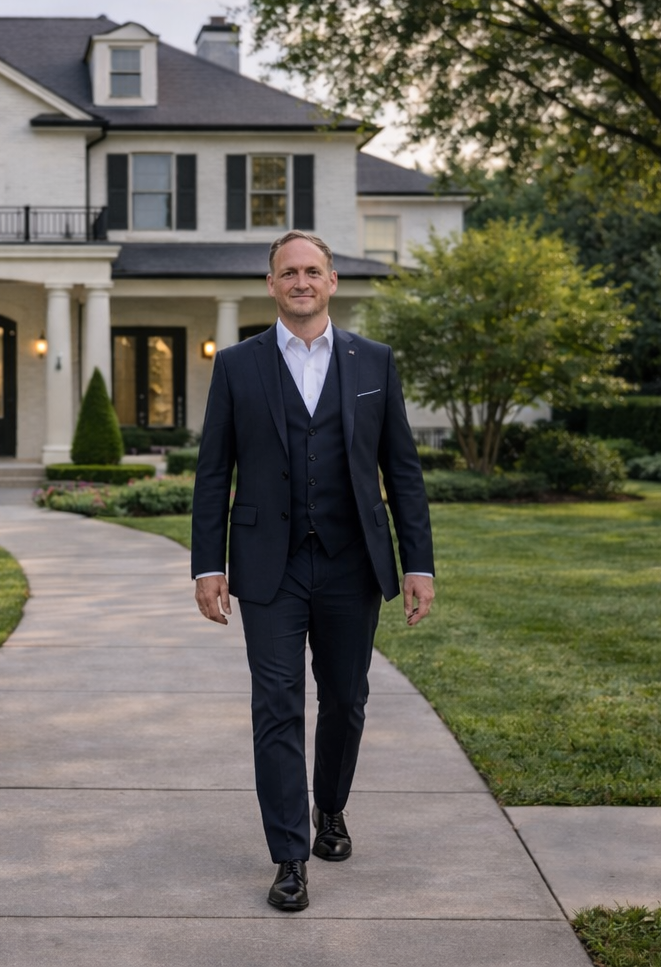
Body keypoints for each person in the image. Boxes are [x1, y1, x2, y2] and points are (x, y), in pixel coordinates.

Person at [191, 229, 435, 912]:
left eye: (312, 271)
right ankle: (289, 856)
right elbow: (213, 472)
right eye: (288, 272)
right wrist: (208, 565)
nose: (301, 281)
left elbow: (403, 471)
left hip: (352, 562)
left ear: (331, 282)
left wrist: (418, 563)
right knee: (276, 703)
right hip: (268, 565)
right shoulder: (237, 365)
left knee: (346, 699)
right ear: (271, 284)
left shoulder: (374, 361)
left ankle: (331, 808)